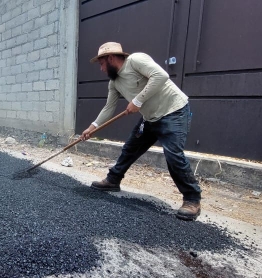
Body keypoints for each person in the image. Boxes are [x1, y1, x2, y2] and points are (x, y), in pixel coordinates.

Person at [80, 42, 202, 221]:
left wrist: (137, 101)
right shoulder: (114, 82)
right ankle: (113, 180)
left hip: (173, 112)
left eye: (101, 64)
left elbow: (161, 76)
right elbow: (108, 108)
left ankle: (192, 199)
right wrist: (92, 128)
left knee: (173, 155)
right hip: (150, 118)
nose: (101, 69)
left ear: (111, 58)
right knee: (130, 148)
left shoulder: (136, 60)